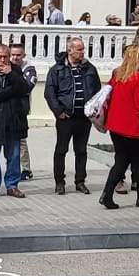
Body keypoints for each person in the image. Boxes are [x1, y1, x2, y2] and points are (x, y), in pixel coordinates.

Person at [98, 43, 139, 210]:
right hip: (134, 128)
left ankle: (108, 194)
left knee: (121, 161)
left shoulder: (118, 75)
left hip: (116, 126)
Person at [45, 37, 101, 195]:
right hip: (66, 117)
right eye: (79, 49)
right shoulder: (57, 69)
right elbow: (50, 93)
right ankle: (59, 182)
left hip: (84, 118)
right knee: (61, 150)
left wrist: (94, 109)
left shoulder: (90, 69)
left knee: (81, 150)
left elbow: (97, 90)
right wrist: (58, 112)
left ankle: (80, 181)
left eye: (83, 49)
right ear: (69, 50)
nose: (82, 52)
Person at [0, 43, 32, 199]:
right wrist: (10, 91)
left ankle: (12, 185)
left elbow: (24, 89)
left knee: (14, 157)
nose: (2, 60)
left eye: (5, 57)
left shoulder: (16, 71)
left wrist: (11, 75)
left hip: (13, 123)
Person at [9, 43, 37, 184]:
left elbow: (26, 87)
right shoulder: (3, 65)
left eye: (18, 55)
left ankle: (26, 169)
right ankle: (11, 169)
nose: (14, 57)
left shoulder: (29, 68)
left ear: (23, 55)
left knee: (20, 141)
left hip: (20, 110)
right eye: (12, 54)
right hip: (4, 109)